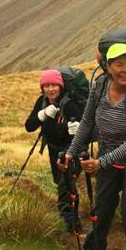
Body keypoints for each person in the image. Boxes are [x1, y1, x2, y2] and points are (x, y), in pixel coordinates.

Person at [61, 43, 126, 250]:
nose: (125, 70)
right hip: (109, 163)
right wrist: (70, 152)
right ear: (108, 66)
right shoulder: (100, 87)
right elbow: (87, 121)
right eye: (119, 64)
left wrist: (101, 163)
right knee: (101, 213)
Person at [24, 69, 84, 233]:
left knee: (66, 187)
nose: (51, 89)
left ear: (61, 86)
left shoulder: (70, 104)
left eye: (54, 85)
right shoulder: (42, 101)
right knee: (63, 185)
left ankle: (70, 224)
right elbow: (29, 126)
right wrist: (42, 115)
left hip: (73, 151)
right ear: (42, 88)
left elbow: (83, 131)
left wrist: (74, 137)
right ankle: (71, 222)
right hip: (53, 150)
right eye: (47, 86)